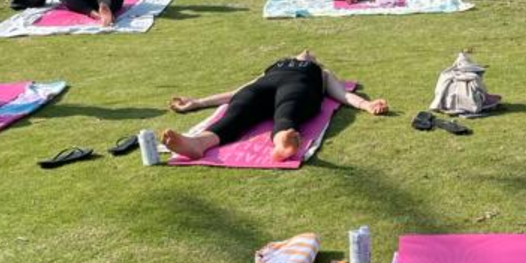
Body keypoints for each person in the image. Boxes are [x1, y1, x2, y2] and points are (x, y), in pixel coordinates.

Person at [161, 51, 389, 162]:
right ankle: (197, 143)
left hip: (297, 87)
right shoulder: (273, 66)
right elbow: (241, 89)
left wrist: (366, 104)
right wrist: (198, 102)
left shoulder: (320, 71)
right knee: (237, 111)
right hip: (262, 87)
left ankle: (283, 144)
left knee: (287, 114)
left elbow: (342, 94)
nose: (306, 51)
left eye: (312, 55)